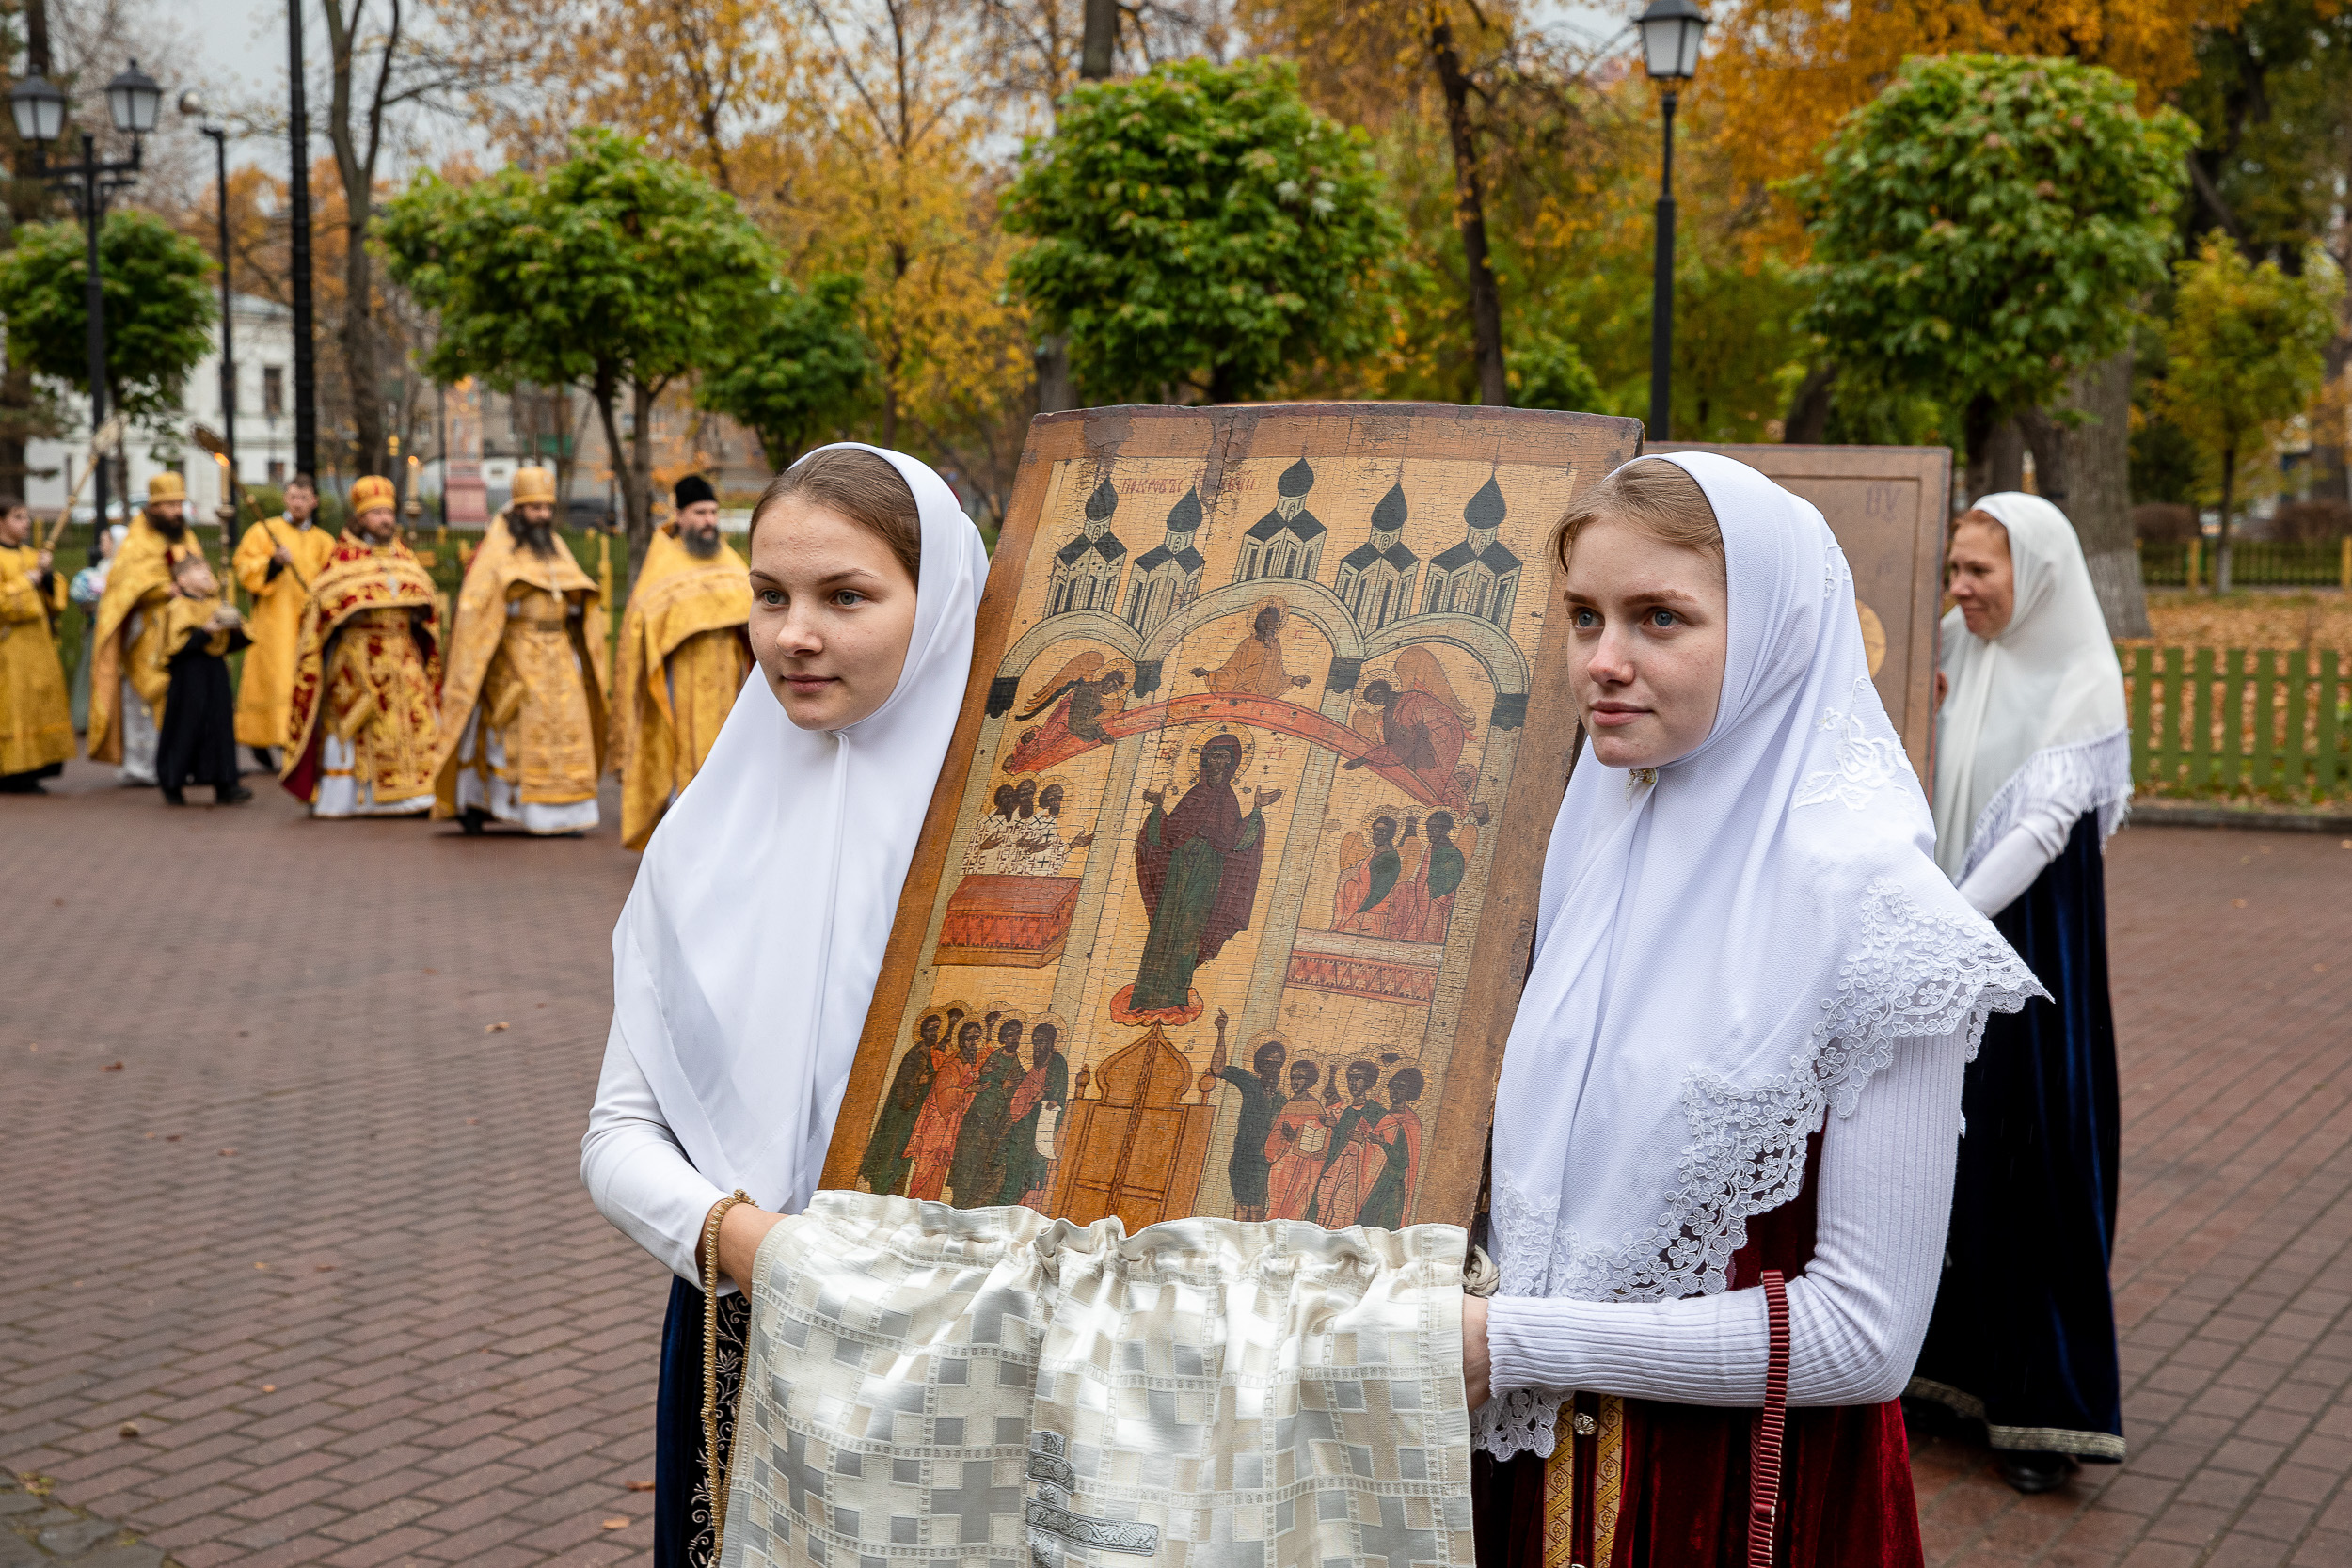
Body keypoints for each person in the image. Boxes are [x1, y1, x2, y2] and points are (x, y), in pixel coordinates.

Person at [1458, 454, 2039, 1566]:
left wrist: (1513, 1340)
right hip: (1530, 1483)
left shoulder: (1882, 921)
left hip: (1741, 1496)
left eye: (1659, 617)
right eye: (1584, 616)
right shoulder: (1585, 841)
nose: (1603, 661)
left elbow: (1866, 1336)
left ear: (1776, 631)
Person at [579, 444, 987, 1568]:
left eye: (844, 596)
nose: (790, 634)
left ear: (941, 600)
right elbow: (619, 1134)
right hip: (742, 1319)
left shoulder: (1019, 841)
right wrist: (757, 1247)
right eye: (769, 595)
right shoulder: (705, 838)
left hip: (968, 1349)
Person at [1907, 492, 2134, 1493]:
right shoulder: (1954, 641)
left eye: (1978, 573)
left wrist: (1946, 922)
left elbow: (2039, 830)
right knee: (1939, 1159)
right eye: (1953, 568)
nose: (1958, 589)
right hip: (1943, 935)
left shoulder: (2083, 675)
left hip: (2023, 957)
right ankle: (1944, 1376)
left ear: (2033, 574)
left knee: (2027, 1162)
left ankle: (2044, 1414)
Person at [432, 466, 610, 834]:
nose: (543, 516)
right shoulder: (498, 549)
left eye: (547, 508)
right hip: (515, 652)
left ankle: (568, 811)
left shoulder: (555, 546)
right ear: (517, 510)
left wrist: (577, 602)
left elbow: (573, 587)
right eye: (535, 509)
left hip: (558, 652)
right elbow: (476, 606)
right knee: (515, 733)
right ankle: (488, 804)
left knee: (568, 727)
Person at [278, 476, 444, 817]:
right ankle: (357, 798)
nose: (385, 520)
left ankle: (418, 796)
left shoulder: (406, 558)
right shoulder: (341, 561)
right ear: (360, 518)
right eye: (377, 513)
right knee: (361, 725)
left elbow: (426, 599)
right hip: (358, 661)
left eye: (388, 512)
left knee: (414, 724)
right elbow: (320, 604)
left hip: (404, 656)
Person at [613, 474, 753, 850]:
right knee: (682, 752)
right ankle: (679, 837)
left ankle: (724, 837)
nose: (709, 521)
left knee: (728, 753)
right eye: (700, 513)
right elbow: (641, 626)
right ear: (679, 515)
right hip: (680, 678)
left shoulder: (728, 558)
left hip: (729, 675)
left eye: (713, 512)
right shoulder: (663, 560)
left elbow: (752, 607)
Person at [1130, 734, 1280, 1012]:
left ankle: (1175, 995)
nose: (1218, 761)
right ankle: (1146, 994)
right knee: (1164, 924)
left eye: (1225, 757)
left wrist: (1257, 810)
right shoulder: (1194, 794)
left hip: (1208, 869)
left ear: (1232, 763)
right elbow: (1166, 834)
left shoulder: (1229, 799)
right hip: (1178, 867)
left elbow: (1238, 842)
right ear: (1205, 759)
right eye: (1214, 755)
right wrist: (1156, 809)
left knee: (1190, 927)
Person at [88, 474, 204, 784]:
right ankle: (142, 765)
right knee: (143, 694)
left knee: (179, 694)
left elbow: (198, 568)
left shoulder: (185, 536)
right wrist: (162, 588)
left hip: (182, 627)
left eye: (179, 503)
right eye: (169, 504)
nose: (176, 511)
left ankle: (180, 761)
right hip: (147, 630)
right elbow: (125, 584)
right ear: (153, 507)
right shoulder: (138, 540)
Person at [232, 472, 335, 771]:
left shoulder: (323, 541)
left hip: (307, 622)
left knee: (303, 678)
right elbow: (244, 567)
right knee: (273, 680)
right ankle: (263, 738)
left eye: (304, 498)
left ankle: (297, 740)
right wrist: (272, 564)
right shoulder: (265, 531)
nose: (297, 503)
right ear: (285, 499)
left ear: (314, 502)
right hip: (273, 622)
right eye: (292, 497)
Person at [152, 554, 254, 807]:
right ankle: (173, 782)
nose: (207, 574)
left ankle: (225, 783)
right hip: (188, 674)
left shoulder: (215, 603)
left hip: (215, 670)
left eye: (207, 569)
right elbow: (173, 647)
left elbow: (239, 638)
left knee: (220, 724)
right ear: (183, 580)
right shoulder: (177, 607)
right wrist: (204, 632)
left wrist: (233, 627)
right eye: (199, 571)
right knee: (185, 725)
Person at [0, 496, 72, 793]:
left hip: (39, 645)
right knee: (13, 707)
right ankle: (10, 772)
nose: (25, 523)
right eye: (18, 517)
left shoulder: (32, 556)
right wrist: (26, 582)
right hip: (10, 648)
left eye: (26, 517)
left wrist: (47, 576)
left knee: (41, 704)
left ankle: (37, 768)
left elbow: (55, 604)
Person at [1205, 1011, 1286, 1222]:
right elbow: (1217, 1068)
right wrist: (1222, 1032)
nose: (1272, 1069)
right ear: (1260, 1065)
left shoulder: (1282, 1099)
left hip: (1265, 1160)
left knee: (1258, 1206)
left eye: (1277, 1064)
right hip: (1243, 1156)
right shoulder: (1250, 1083)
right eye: (1268, 1063)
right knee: (1241, 1204)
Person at [69, 521, 126, 733]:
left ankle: (110, 719)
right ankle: (87, 717)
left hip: (112, 629)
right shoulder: (102, 566)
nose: (102, 545)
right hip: (96, 627)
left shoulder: (120, 568)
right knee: (90, 673)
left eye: (105, 541)